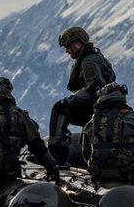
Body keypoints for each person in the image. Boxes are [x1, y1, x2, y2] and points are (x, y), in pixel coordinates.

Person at [48, 26, 116, 163]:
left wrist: (71, 100)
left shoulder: (88, 61)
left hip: (97, 107)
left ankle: (57, 153)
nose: (67, 50)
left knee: (60, 107)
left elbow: (95, 88)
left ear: (78, 43)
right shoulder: (95, 57)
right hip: (105, 108)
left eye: (69, 46)